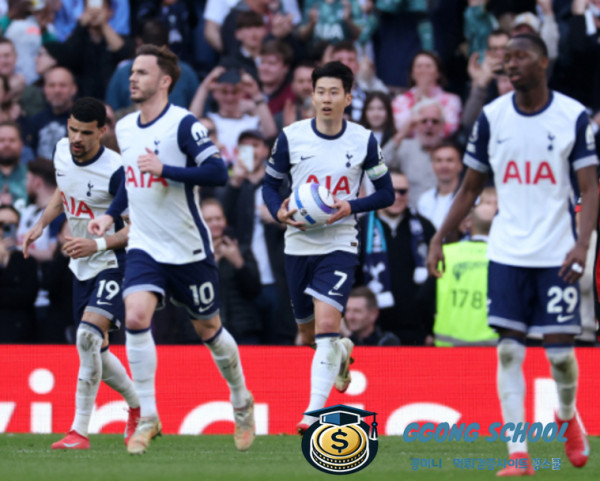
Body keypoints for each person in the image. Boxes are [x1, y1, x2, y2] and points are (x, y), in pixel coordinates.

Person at [427, 34, 598, 474]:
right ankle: (518, 456)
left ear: (544, 61)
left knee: (560, 357)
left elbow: (590, 187)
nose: (510, 64)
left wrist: (582, 243)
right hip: (506, 252)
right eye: (506, 59)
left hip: (558, 250)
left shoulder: (573, 117)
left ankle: (566, 418)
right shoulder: (491, 117)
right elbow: (469, 187)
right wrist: (439, 237)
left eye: (520, 56)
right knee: (508, 352)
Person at [88, 44, 255, 455]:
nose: (132, 79)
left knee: (210, 332)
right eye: (131, 74)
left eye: (142, 73)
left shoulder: (184, 124)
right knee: (136, 315)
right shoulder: (124, 128)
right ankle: (148, 415)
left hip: (188, 249)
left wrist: (167, 170)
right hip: (145, 245)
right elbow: (131, 180)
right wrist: (111, 216)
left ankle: (241, 400)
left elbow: (217, 171)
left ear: (164, 81)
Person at [262, 61, 394, 434]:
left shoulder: (364, 140)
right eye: (320, 91)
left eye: (335, 92)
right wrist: (279, 212)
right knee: (308, 336)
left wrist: (350, 206)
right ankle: (340, 352)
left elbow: (387, 194)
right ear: (312, 94)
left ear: (349, 97)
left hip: (340, 242)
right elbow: (270, 187)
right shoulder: (291, 136)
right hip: (298, 242)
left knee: (324, 327)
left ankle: (311, 413)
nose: (326, 99)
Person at [22, 97, 140, 450]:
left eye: (85, 133)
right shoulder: (61, 150)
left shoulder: (117, 170)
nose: (76, 138)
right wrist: (42, 223)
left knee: (87, 337)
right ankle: (140, 408)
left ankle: (79, 432)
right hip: (82, 267)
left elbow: (136, 228)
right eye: (72, 129)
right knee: (96, 351)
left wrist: (98, 245)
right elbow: (64, 188)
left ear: (102, 132)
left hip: (114, 262)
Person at [357, 171, 436, 345]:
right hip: (372, 333)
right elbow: (352, 279)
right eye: (391, 191)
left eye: (402, 191)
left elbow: (436, 279)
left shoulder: (425, 227)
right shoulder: (360, 228)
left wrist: (431, 329)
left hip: (418, 332)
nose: (397, 196)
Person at [434, 202, 498, 346]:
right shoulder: (505, 259)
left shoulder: (446, 254)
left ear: (470, 224)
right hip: (493, 348)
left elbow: (423, 299)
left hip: (449, 348)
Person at [201, 197, 262, 344]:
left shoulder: (241, 250)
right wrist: (211, 263)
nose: (215, 223)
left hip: (243, 331)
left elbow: (254, 290)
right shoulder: (193, 255)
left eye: (218, 218)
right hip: (206, 332)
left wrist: (238, 262)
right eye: (208, 220)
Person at [0, 204, 38, 343]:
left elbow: (27, 296)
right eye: (2, 224)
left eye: (12, 225)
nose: (5, 229)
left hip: (19, 336)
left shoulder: (27, 260)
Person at [417, 142, 463, 230]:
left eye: (450, 160)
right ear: (432, 165)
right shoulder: (425, 199)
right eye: (439, 160)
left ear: (460, 165)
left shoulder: (471, 198)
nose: (444, 165)